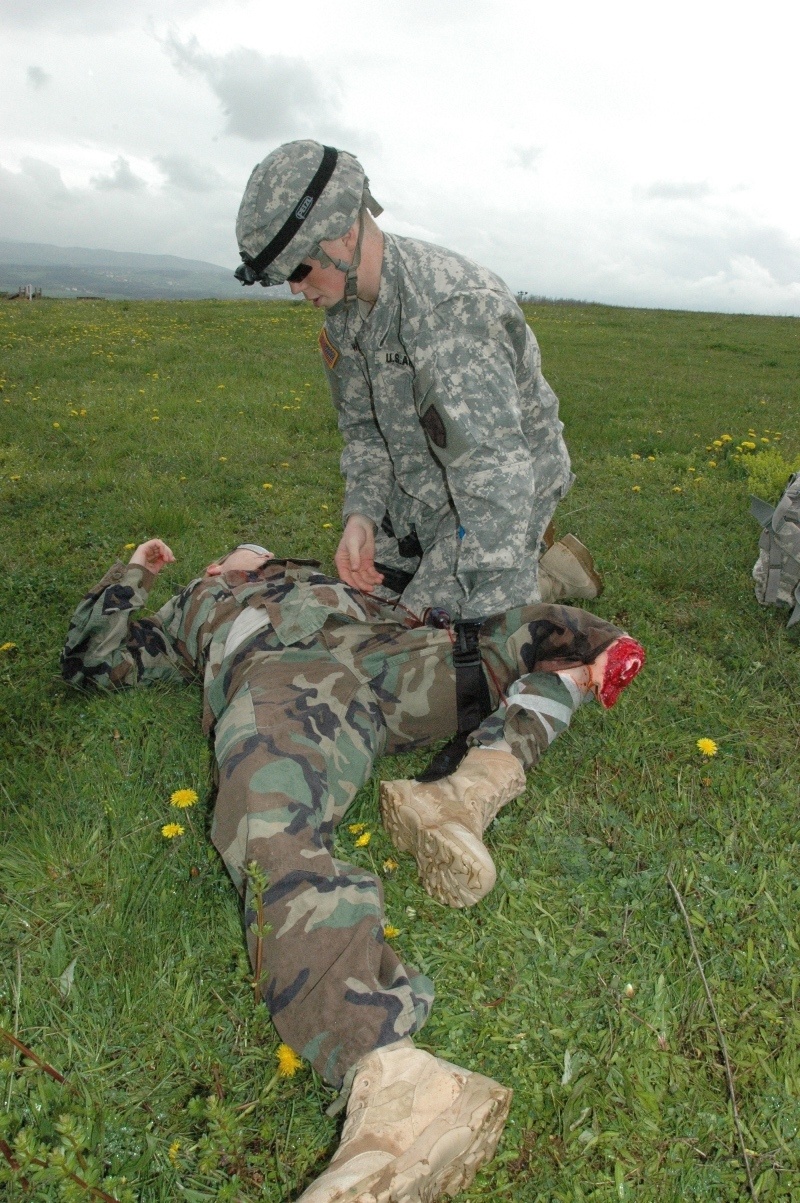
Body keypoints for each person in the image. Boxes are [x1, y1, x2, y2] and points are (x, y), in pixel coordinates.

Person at [61, 539, 643, 1203]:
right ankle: (394, 1074)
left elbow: (468, 618)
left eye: (265, 549)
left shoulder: (327, 578)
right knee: (265, 803)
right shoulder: (194, 606)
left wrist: (579, 639)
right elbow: (90, 659)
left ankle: (469, 790)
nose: (258, 549)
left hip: (392, 659)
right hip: (286, 681)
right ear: (217, 568)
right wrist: (135, 570)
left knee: (549, 633)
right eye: (239, 552)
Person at [234, 140, 602, 621]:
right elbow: (364, 434)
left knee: (413, 639)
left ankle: (539, 573)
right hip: (421, 492)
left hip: (494, 496)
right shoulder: (345, 322)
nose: (295, 289)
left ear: (345, 234)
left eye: (300, 270)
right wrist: (361, 517)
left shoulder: (452, 313)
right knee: (359, 610)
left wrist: (486, 623)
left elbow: (497, 480)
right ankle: (514, 564)